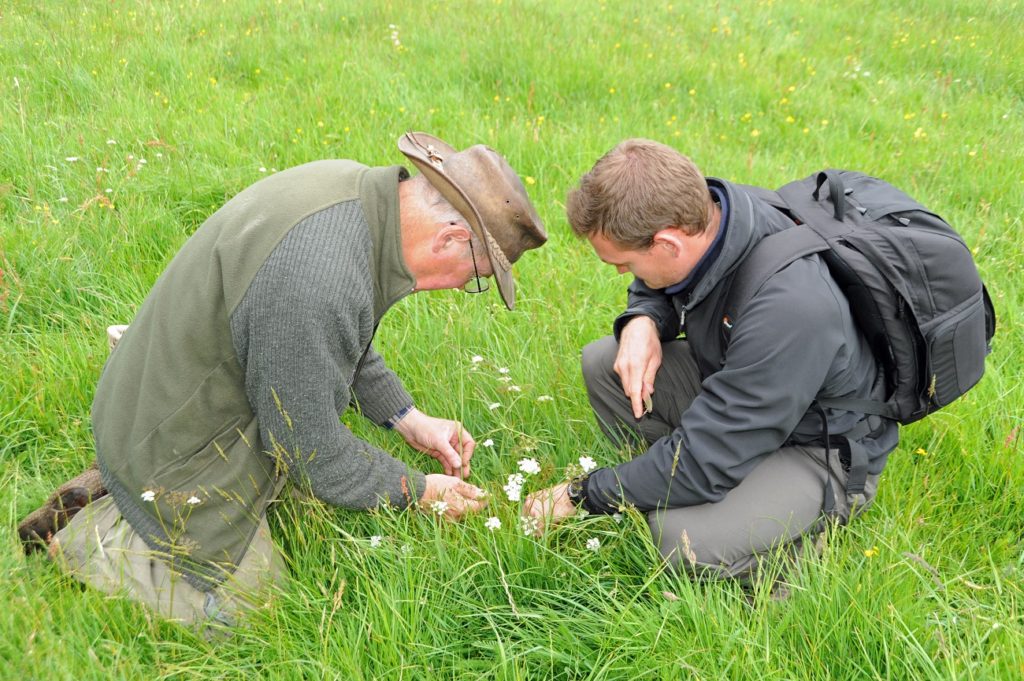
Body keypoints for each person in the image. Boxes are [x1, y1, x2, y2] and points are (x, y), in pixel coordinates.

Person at [19, 132, 547, 626]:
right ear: (451, 238)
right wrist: (417, 490)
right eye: (474, 279)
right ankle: (98, 540)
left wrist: (407, 418)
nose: (460, 289)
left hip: (168, 389)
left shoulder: (356, 198)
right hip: (170, 430)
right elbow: (309, 450)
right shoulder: (321, 276)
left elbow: (337, 337)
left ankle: (124, 484)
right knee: (250, 609)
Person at [525, 138, 896, 583]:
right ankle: (674, 480)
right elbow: (661, 284)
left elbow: (707, 460)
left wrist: (583, 493)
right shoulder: (718, 213)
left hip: (821, 446)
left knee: (678, 539)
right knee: (606, 364)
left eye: (624, 264)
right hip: (746, 396)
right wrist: (643, 317)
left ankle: (801, 554)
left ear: (667, 243)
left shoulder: (790, 307)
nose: (623, 275)